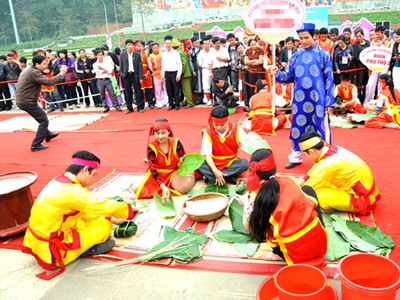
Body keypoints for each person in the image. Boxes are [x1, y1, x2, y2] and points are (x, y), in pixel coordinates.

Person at [22, 151, 138, 279]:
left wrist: (112, 218)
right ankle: (83, 251)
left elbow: (81, 210)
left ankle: (83, 245)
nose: (93, 179)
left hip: (43, 235)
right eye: (93, 175)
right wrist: (128, 210)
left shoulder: (59, 181)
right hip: (54, 249)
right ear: (85, 169)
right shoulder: (73, 191)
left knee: (98, 219)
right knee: (104, 226)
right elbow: (99, 205)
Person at [242, 148, 327, 267]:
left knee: (260, 222)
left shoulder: (255, 197)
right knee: (307, 191)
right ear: (274, 167)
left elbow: (249, 227)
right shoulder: (288, 180)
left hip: (294, 253)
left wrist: (246, 203)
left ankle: (278, 253)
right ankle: (318, 228)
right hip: (319, 244)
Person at [270, 23, 335, 169]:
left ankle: (325, 157)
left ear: (314, 37)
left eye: (306, 37)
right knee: (297, 127)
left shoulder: (323, 55)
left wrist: (329, 101)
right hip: (299, 99)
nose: (304, 41)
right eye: (301, 38)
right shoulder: (295, 56)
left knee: (320, 126)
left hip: (318, 99)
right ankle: (296, 156)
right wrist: (277, 73)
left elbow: (329, 79)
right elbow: (288, 77)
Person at [297, 132, 380, 214]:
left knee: (316, 194)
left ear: (311, 152)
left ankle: (329, 207)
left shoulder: (327, 164)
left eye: (305, 155)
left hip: (361, 200)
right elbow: (318, 166)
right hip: (366, 190)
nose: (306, 158)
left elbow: (308, 188)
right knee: (323, 182)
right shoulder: (331, 149)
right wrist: (304, 178)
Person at [134, 118, 196, 201]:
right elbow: (153, 169)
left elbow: (184, 158)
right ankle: (165, 186)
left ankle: (192, 176)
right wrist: (162, 186)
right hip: (158, 174)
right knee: (137, 190)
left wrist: (182, 162)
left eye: (163, 133)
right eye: (157, 133)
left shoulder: (176, 142)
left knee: (185, 188)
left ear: (169, 132)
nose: (160, 136)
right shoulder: (151, 147)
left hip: (174, 171)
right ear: (154, 133)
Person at [16, 55, 68, 151]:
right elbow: (49, 82)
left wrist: (43, 72)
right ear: (37, 64)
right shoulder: (34, 73)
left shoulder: (30, 70)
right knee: (44, 120)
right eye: (44, 64)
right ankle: (36, 144)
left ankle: (47, 135)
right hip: (27, 101)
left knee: (41, 118)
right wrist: (61, 73)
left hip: (25, 100)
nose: (45, 66)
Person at [197, 105, 249, 186]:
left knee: (244, 163)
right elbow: (206, 155)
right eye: (216, 125)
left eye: (222, 125)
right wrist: (215, 171)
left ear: (227, 120)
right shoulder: (208, 131)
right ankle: (227, 177)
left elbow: (248, 143)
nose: (219, 128)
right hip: (213, 162)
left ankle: (215, 178)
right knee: (197, 163)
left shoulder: (236, 129)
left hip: (230, 162)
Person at [364, 25, 394, 105]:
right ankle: (367, 103)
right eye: (375, 34)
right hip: (374, 65)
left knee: (381, 85)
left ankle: (380, 103)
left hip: (384, 65)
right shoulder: (374, 41)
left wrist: (382, 47)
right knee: (370, 85)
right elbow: (370, 52)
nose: (376, 36)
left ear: (383, 32)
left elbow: (390, 54)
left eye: (378, 34)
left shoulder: (390, 41)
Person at [119, 39, 144, 114]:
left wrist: (140, 77)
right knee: (127, 92)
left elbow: (140, 67)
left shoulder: (137, 54)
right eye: (128, 45)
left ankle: (140, 107)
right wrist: (122, 74)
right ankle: (129, 108)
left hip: (135, 75)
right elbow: (121, 65)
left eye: (131, 45)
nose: (130, 46)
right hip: (126, 75)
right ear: (126, 46)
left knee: (138, 91)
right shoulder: (123, 55)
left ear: (133, 46)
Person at [162, 39, 182, 110]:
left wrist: (179, 74)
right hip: (167, 73)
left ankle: (177, 104)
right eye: (166, 43)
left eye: (169, 43)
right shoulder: (164, 54)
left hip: (174, 73)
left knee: (176, 89)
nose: (168, 45)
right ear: (165, 44)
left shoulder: (175, 53)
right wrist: (162, 75)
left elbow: (179, 64)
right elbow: (163, 65)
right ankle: (171, 104)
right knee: (169, 90)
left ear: (171, 44)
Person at [353, 28, 371, 104]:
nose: (358, 38)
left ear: (363, 35)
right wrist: (364, 60)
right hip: (360, 67)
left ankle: (367, 99)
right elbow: (356, 57)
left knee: (367, 83)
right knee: (360, 84)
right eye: (357, 37)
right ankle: (360, 100)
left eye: (360, 36)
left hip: (369, 66)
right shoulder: (355, 45)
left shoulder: (369, 43)